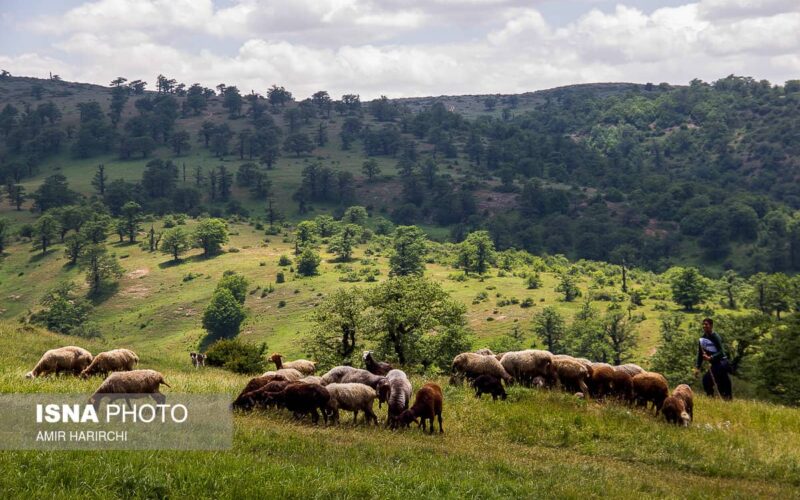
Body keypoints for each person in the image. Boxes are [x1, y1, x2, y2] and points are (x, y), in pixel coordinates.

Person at [694, 318, 732, 400]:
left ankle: (715, 398)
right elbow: (700, 354)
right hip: (715, 364)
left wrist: (711, 357)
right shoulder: (702, 339)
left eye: (706, 324)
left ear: (711, 326)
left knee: (709, 380)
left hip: (722, 363)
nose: (704, 326)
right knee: (713, 382)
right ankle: (713, 398)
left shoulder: (715, 337)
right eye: (703, 324)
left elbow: (721, 352)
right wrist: (697, 367)